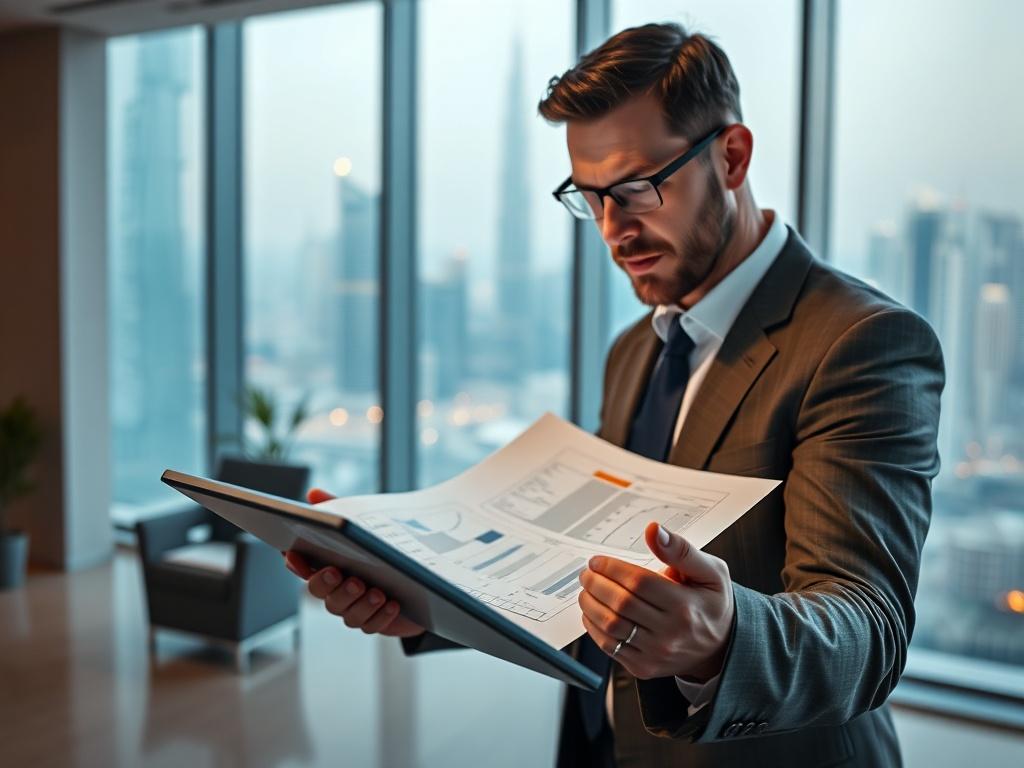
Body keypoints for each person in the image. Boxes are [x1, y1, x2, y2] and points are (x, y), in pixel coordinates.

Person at [284, 22, 944, 768]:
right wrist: (421, 603)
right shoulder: (636, 350)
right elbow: (584, 579)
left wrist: (722, 638)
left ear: (731, 157)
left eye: (634, 190)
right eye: (588, 197)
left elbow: (868, 628)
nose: (610, 229)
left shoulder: (861, 342)